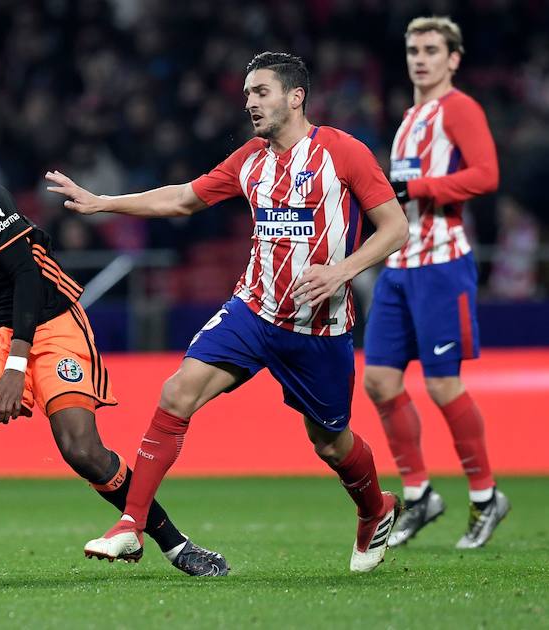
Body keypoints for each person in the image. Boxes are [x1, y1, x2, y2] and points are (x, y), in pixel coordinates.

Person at [47, 52, 410, 573]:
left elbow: (395, 228)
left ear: (295, 96)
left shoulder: (343, 153)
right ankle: (131, 523)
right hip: (253, 312)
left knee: (331, 443)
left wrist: (341, 271)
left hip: (319, 327)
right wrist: (104, 201)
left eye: (261, 92)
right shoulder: (250, 159)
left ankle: (377, 509)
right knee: (177, 392)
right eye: (246, 95)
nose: (250, 103)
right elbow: (183, 199)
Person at [0, 129, 228, 581]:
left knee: (81, 449)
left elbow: (26, 274)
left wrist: (16, 366)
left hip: (51, 319)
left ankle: (176, 544)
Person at [362, 16, 508, 549]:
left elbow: (487, 175)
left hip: (441, 265)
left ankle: (486, 495)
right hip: (399, 267)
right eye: (412, 49)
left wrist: (417, 185)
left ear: (453, 59)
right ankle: (421, 494)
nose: (419, 58)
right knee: (379, 381)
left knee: (443, 385)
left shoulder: (459, 108)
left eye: (430, 50)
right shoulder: (410, 117)